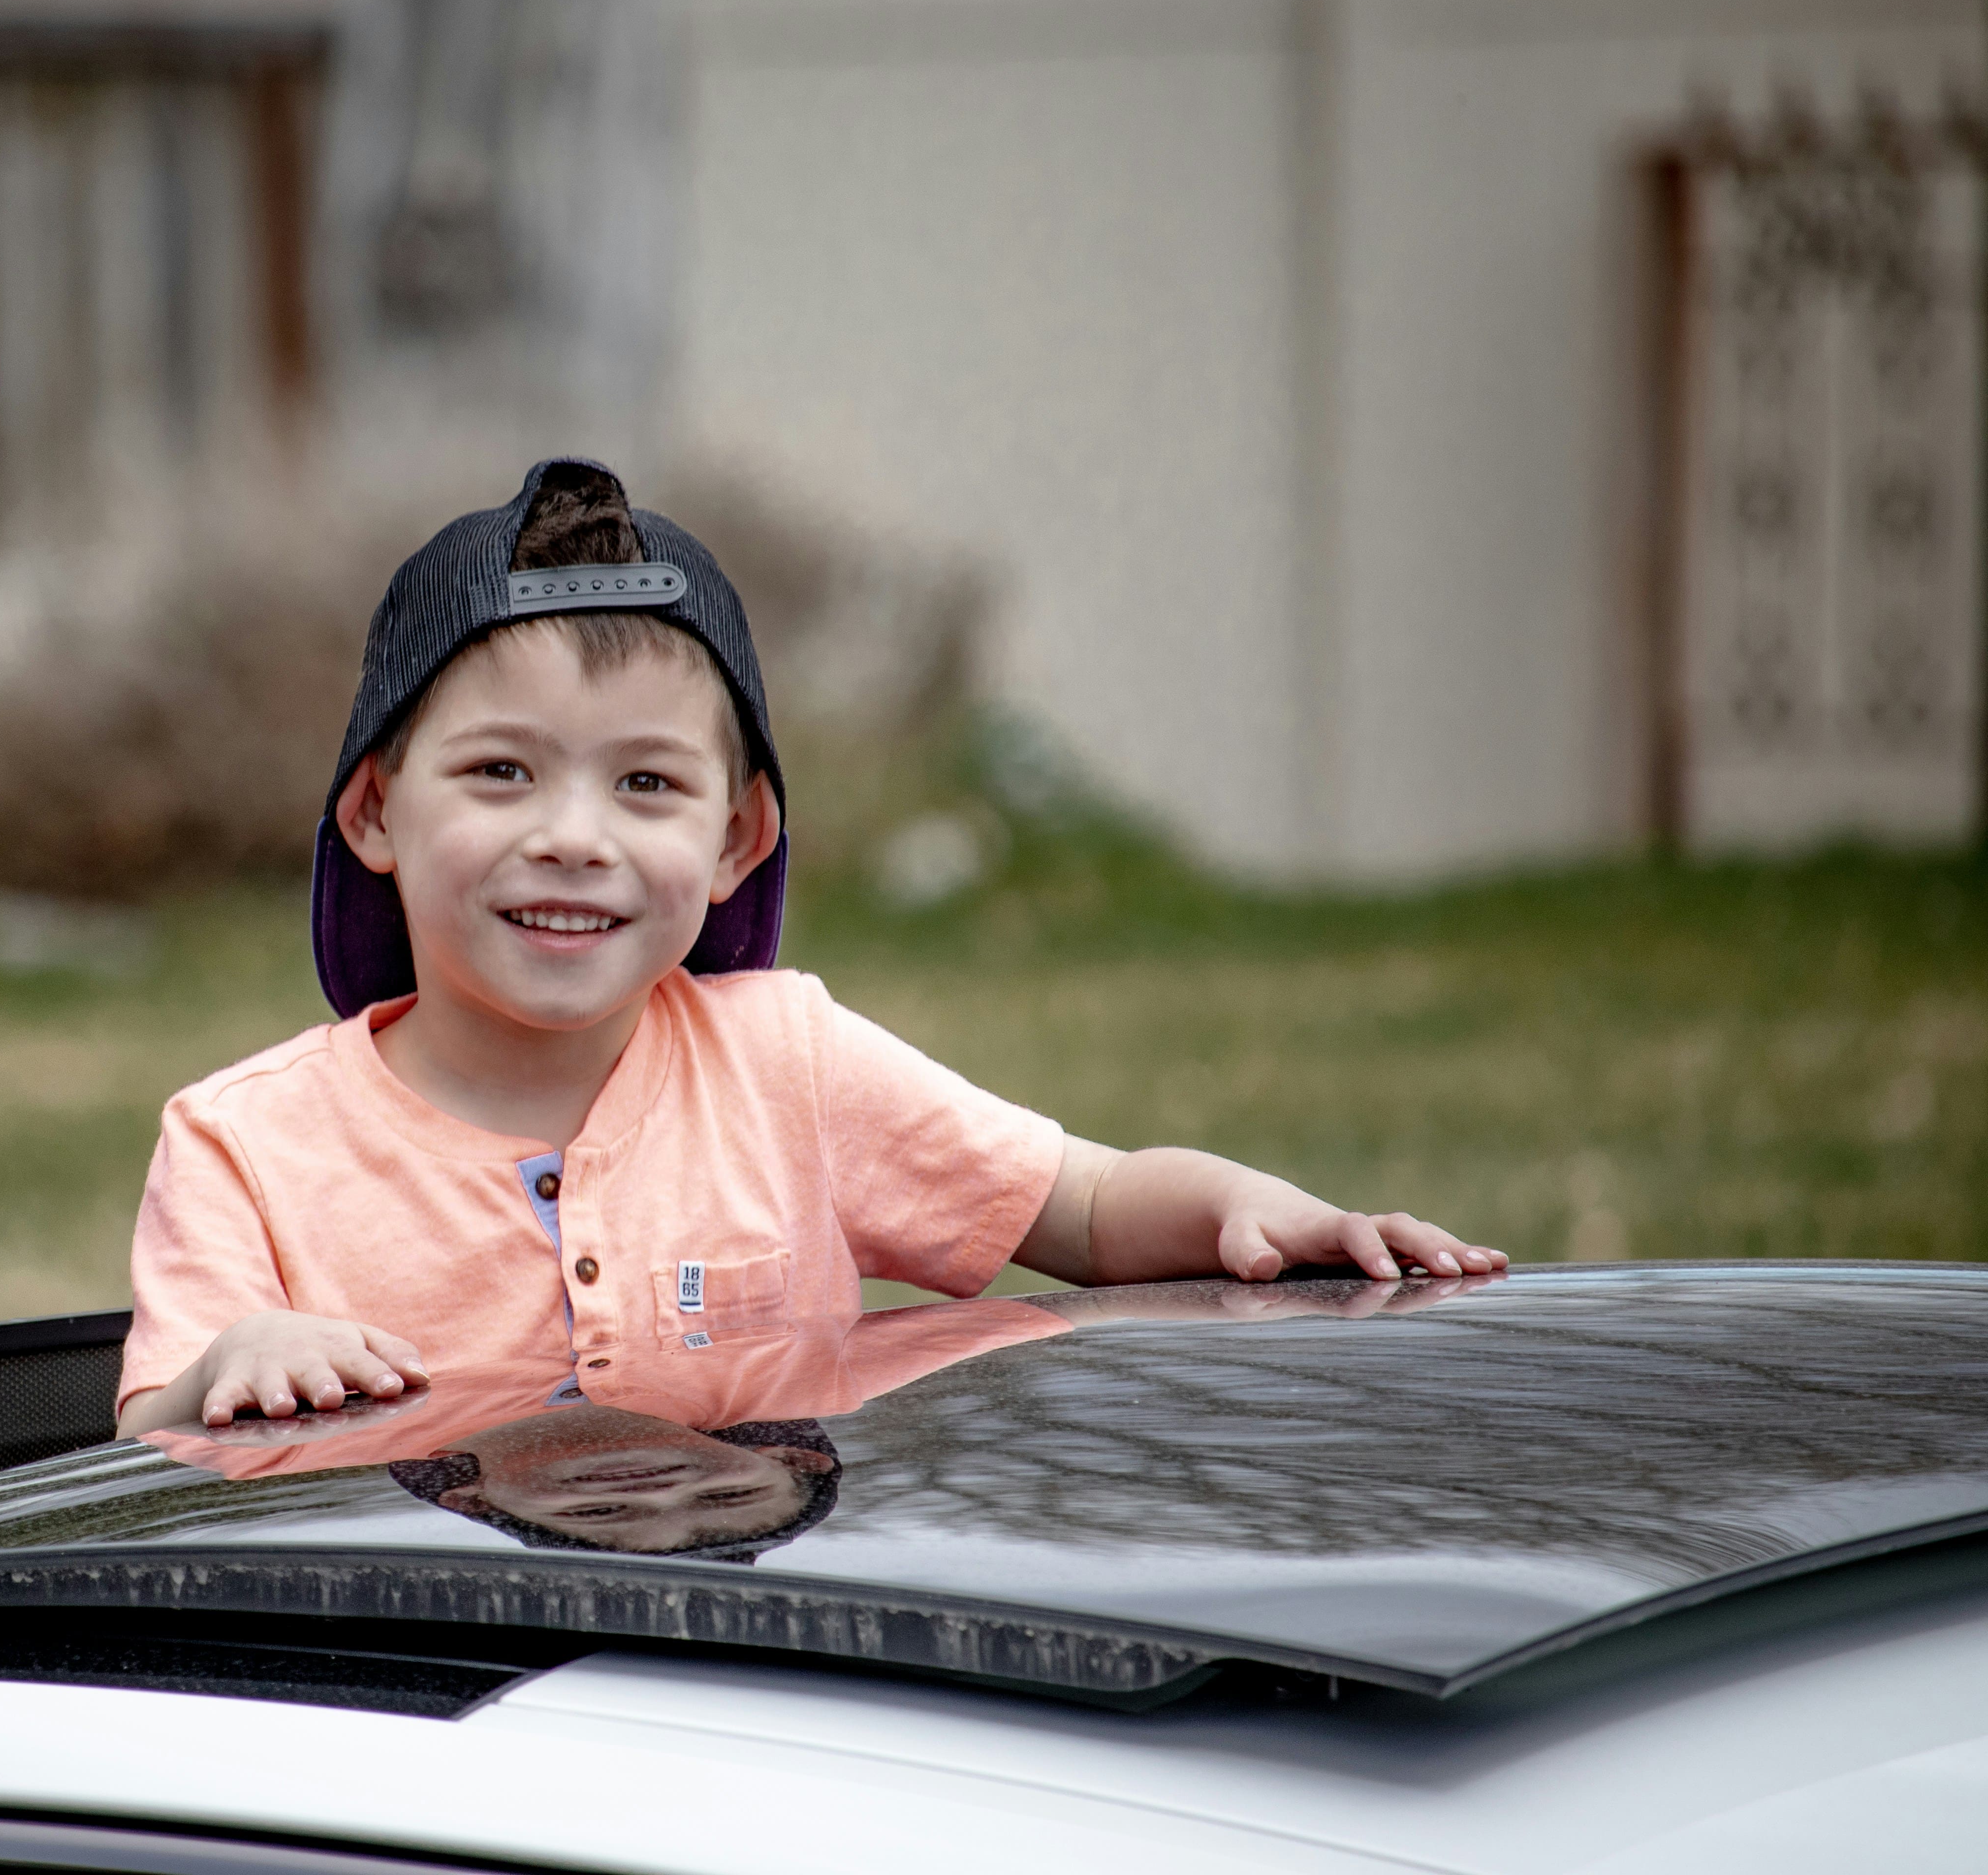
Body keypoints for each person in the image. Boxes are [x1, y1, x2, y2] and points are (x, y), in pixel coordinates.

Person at [115, 460, 1507, 1437]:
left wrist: (1250, 1214)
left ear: (737, 841)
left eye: (647, 786)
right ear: (373, 810)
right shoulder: (243, 1146)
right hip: (436, 1717)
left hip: (767, 1691)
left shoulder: (787, 1064)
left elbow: (1081, 1208)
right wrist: (234, 1367)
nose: (575, 838)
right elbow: (138, 1456)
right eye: (500, 774)